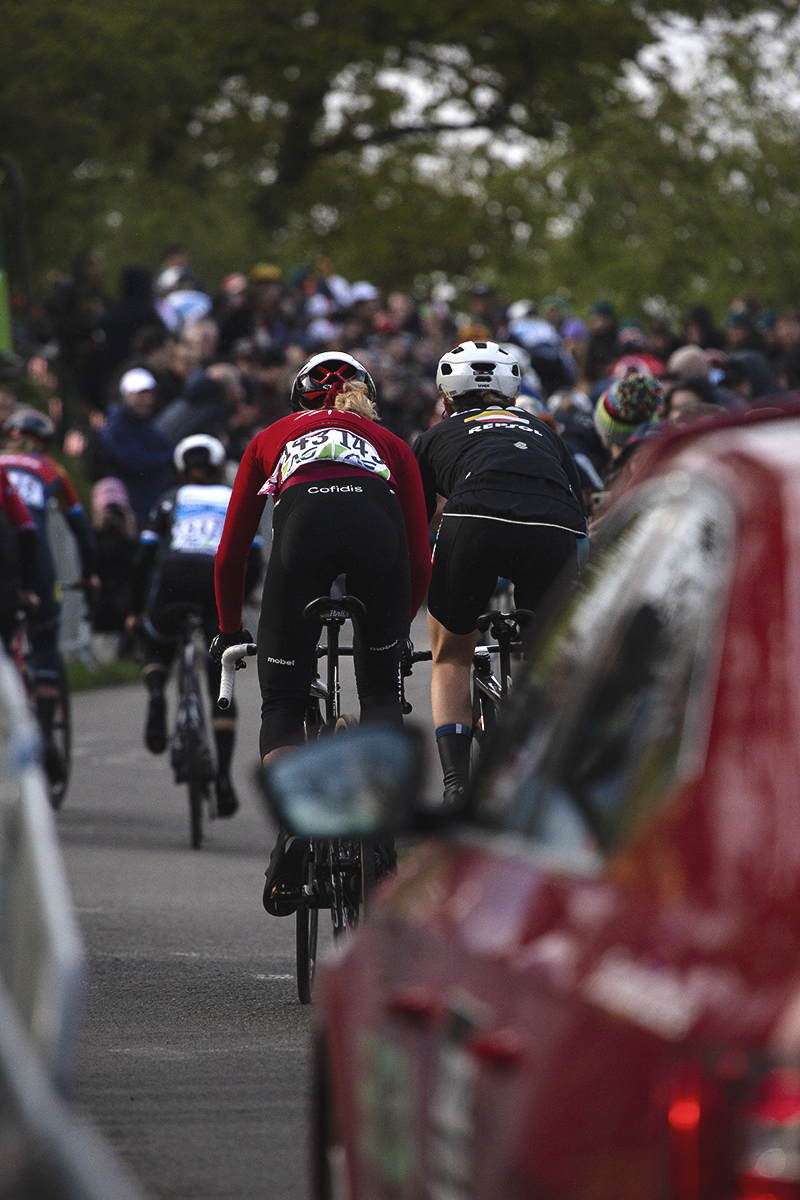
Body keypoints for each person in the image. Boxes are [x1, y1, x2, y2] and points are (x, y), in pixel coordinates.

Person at [210, 351, 431, 912]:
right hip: (377, 537)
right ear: (368, 398)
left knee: (283, 704)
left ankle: (296, 824)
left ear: (297, 399)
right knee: (380, 691)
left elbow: (233, 551)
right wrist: (396, 631)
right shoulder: (390, 443)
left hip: (301, 534)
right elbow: (419, 557)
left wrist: (229, 629)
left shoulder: (273, 435)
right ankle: (378, 828)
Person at [412, 340, 587, 806]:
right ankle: (553, 769)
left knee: (452, 654)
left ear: (447, 397)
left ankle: (455, 784)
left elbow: (420, 519)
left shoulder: (434, 436)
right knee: (550, 655)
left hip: (473, 521)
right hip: (552, 526)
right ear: (512, 393)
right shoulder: (543, 430)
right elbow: (578, 504)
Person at [128, 435, 263, 817]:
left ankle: (156, 693)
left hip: (176, 573)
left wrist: (135, 608)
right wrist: (239, 599)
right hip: (216, 578)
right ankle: (222, 778)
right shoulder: (232, 495)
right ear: (220, 466)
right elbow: (253, 557)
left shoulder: (170, 498)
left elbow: (145, 556)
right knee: (219, 673)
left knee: (157, 643)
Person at [0, 409, 97, 767]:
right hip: (34, 554)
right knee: (44, 641)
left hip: (4, 551)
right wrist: (89, 575)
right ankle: (43, 735)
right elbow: (82, 533)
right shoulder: (52, 470)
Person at [96, 368, 175, 526]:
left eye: (149, 394)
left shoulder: (144, 423)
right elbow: (136, 462)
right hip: (133, 503)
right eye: (140, 395)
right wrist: (170, 457)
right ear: (126, 395)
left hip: (149, 497)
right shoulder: (116, 428)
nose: (146, 400)